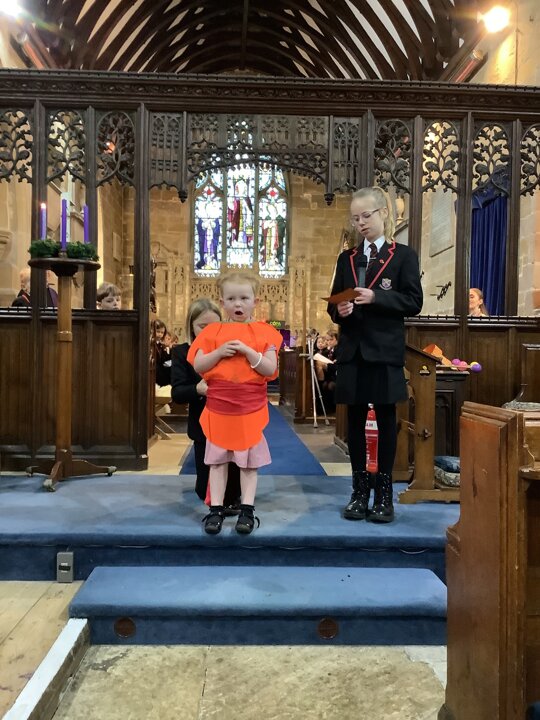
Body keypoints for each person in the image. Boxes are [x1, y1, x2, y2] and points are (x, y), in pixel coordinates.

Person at [327, 186, 423, 523]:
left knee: (385, 421)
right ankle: (358, 492)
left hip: (384, 350)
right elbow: (334, 304)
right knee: (354, 422)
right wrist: (340, 310)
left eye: (366, 215)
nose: (361, 223)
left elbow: (413, 301)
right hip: (352, 350)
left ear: (383, 213)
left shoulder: (403, 255)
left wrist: (376, 298)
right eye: (355, 218)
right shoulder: (347, 258)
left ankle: (384, 495)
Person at [187, 270, 283, 535]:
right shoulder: (212, 332)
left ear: (255, 301)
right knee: (217, 461)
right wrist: (218, 352)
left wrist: (249, 351)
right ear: (222, 302)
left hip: (249, 409)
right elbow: (199, 365)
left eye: (244, 298)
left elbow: (270, 369)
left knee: (248, 462)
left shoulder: (265, 333)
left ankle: (247, 510)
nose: (237, 304)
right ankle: (216, 510)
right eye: (231, 299)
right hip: (219, 408)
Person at [171, 298, 241, 512]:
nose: (209, 331)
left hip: (231, 422)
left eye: (214, 326)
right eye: (202, 326)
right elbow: (178, 393)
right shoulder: (182, 352)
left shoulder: (230, 349)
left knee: (232, 492)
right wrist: (198, 389)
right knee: (205, 491)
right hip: (203, 425)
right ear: (191, 326)